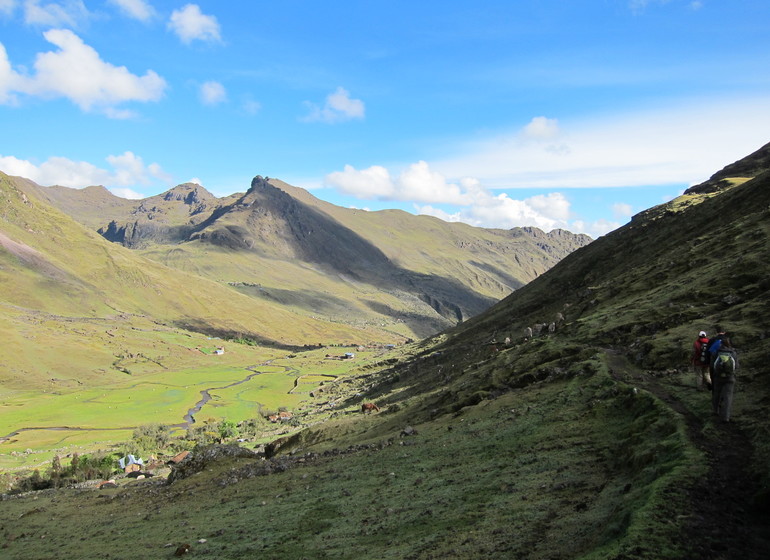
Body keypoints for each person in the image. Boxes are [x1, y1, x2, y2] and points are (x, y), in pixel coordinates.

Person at [711, 337, 738, 422]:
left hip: (718, 377)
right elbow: (736, 366)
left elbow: (712, 365)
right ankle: (726, 417)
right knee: (728, 397)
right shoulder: (733, 353)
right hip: (730, 378)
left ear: (721, 344)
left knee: (716, 394)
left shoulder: (716, 352)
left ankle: (715, 411)